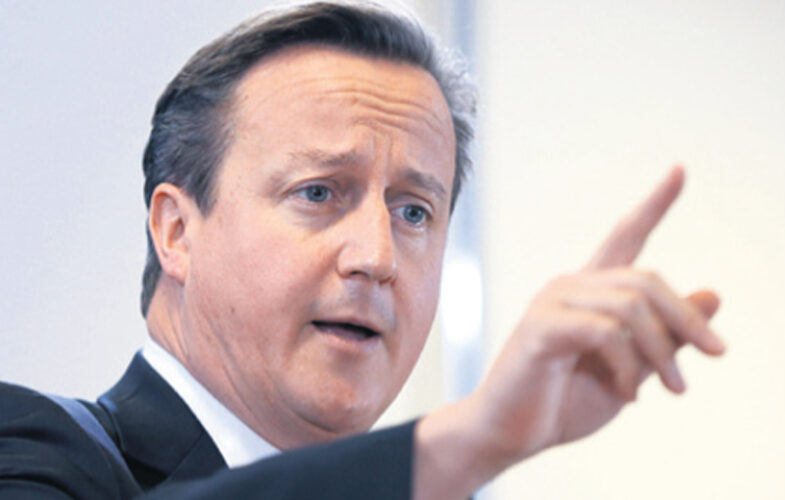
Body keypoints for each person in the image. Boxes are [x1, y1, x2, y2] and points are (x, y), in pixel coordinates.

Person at [0, 2, 725, 499]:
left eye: (413, 212)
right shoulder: (31, 450)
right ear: (177, 232)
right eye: (318, 193)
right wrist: (466, 441)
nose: (378, 256)